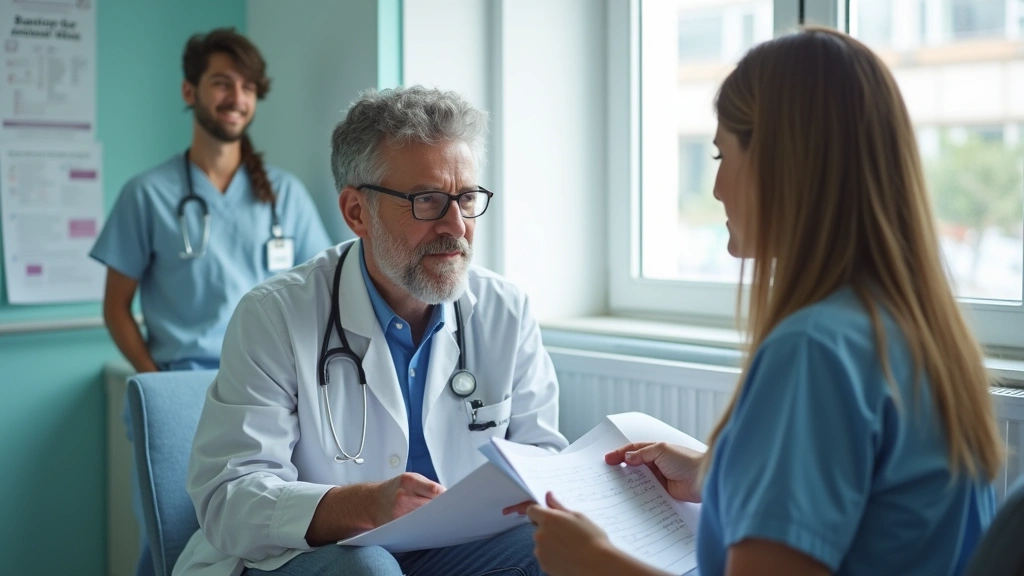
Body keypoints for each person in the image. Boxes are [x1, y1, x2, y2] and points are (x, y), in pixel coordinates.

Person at [513, 27, 1003, 576]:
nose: (718, 187)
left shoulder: (813, 349)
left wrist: (595, 562)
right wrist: (718, 473)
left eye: (724, 153)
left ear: (782, 163)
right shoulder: (912, 328)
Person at [172, 86, 570, 576]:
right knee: (369, 568)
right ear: (356, 212)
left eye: (466, 198)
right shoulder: (273, 316)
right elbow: (229, 500)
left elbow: (542, 458)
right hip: (312, 556)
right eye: (427, 200)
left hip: (457, 549)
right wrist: (361, 506)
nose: (456, 226)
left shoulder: (505, 310)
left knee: (557, 548)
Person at [89, 28, 331, 576]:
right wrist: (156, 383)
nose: (236, 97)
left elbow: (321, 291)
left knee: (261, 545)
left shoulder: (285, 195)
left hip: (273, 395)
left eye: (247, 86)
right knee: (171, 542)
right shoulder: (147, 195)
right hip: (183, 396)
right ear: (188, 91)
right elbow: (115, 308)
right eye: (222, 82)